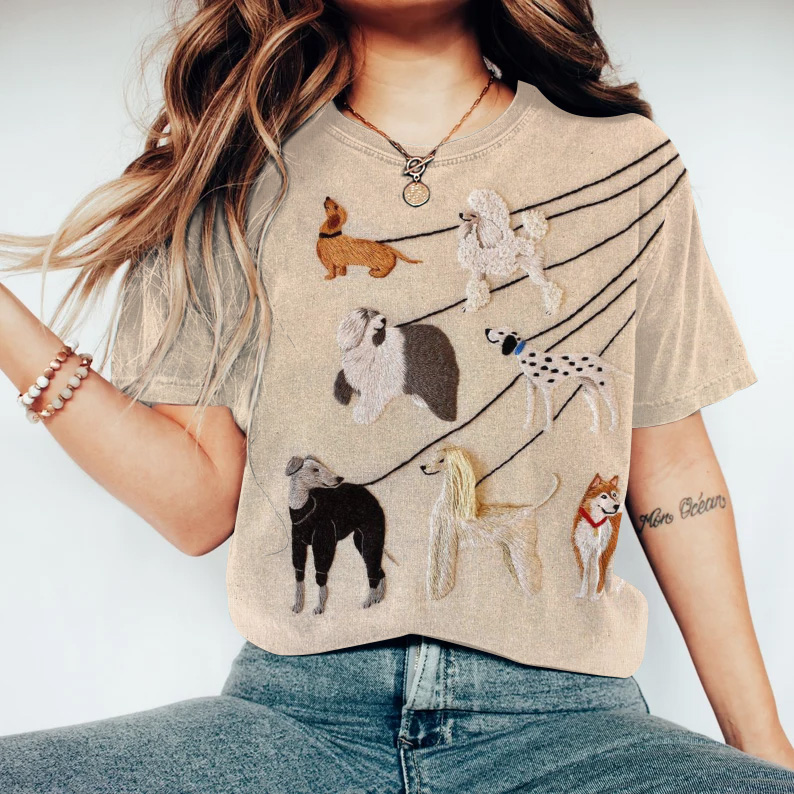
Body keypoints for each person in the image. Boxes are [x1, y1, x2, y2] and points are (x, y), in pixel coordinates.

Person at [1, 0, 792, 792]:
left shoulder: (626, 165)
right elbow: (198, 506)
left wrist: (762, 743)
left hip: (569, 726)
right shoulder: (232, 173)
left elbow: (673, 469)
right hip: (296, 723)